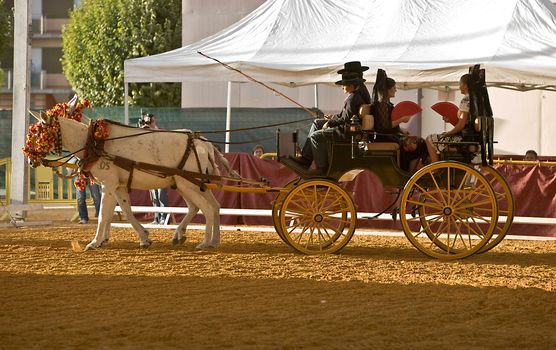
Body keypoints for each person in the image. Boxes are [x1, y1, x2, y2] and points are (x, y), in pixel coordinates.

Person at [292, 72, 365, 175]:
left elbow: (345, 118)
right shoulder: (353, 97)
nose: (342, 87)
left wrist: (330, 123)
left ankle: (322, 168)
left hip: (345, 132)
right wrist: (332, 118)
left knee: (315, 137)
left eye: (344, 85)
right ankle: (306, 158)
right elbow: (343, 115)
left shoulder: (353, 99)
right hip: (345, 128)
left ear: (351, 86)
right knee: (317, 123)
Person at [371, 69, 427, 172]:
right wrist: (402, 119)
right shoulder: (382, 105)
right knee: (420, 143)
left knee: (420, 142)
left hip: (391, 135)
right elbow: (385, 127)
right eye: (394, 88)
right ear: (387, 90)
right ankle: (409, 173)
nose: (396, 90)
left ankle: (411, 172)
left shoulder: (386, 104)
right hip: (385, 137)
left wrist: (401, 131)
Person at [426, 74, 472, 164]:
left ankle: (435, 169)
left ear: (465, 85)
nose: (459, 87)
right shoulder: (474, 99)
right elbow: (464, 121)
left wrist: (448, 133)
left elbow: (461, 124)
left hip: (463, 139)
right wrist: (451, 120)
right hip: (468, 136)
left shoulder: (466, 100)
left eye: (460, 84)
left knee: (429, 139)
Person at [140, 113, 169, 224]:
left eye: (149, 122)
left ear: (153, 122)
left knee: (161, 194)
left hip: (161, 167)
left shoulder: (161, 132)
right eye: (146, 122)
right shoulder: (145, 133)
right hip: (150, 167)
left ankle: (164, 217)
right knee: (154, 195)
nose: (147, 125)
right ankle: (157, 218)